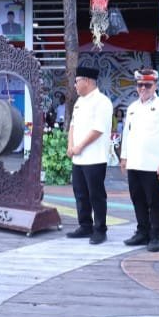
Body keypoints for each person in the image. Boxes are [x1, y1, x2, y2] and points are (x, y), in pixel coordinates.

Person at [120, 70, 159, 251]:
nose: (143, 88)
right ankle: (142, 232)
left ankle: (156, 235)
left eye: (148, 85)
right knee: (137, 199)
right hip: (134, 162)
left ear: (155, 86)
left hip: (153, 164)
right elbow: (127, 133)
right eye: (140, 85)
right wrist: (124, 156)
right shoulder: (132, 107)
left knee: (154, 201)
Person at [65, 66, 113, 245]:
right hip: (78, 158)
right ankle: (85, 225)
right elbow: (72, 126)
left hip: (94, 158)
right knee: (80, 194)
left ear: (87, 81)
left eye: (77, 81)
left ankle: (100, 229)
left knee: (96, 195)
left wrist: (79, 146)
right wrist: (71, 146)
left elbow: (98, 130)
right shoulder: (79, 102)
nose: (75, 85)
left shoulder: (102, 102)